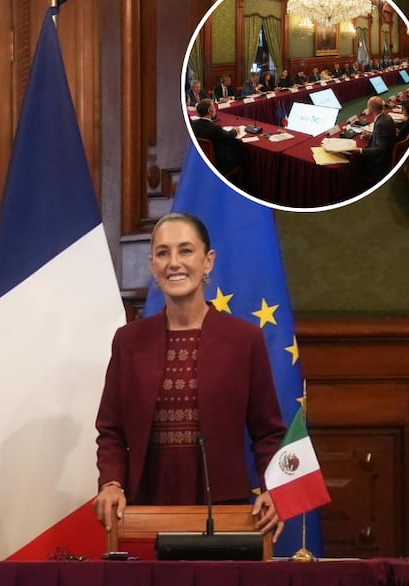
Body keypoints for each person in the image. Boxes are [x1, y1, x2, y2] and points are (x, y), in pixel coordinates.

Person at [93, 213, 286, 541]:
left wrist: (277, 490)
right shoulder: (129, 341)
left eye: (185, 250)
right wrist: (111, 483)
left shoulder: (244, 340)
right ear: (152, 264)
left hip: (224, 512)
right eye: (163, 253)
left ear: (208, 261)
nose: (174, 263)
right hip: (144, 509)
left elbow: (268, 432)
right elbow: (111, 430)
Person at [189, 99, 242, 182]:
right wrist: (235, 131)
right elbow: (228, 136)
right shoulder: (215, 128)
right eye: (213, 107)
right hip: (219, 163)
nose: (215, 109)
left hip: (202, 161)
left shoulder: (194, 124)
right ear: (210, 111)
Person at [351, 96, 395, 187]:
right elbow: (384, 137)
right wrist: (372, 135)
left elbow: (379, 150)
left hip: (380, 162)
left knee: (353, 160)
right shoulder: (386, 116)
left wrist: (359, 150)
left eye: (368, 106)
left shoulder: (380, 124)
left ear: (371, 108)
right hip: (388, 153)